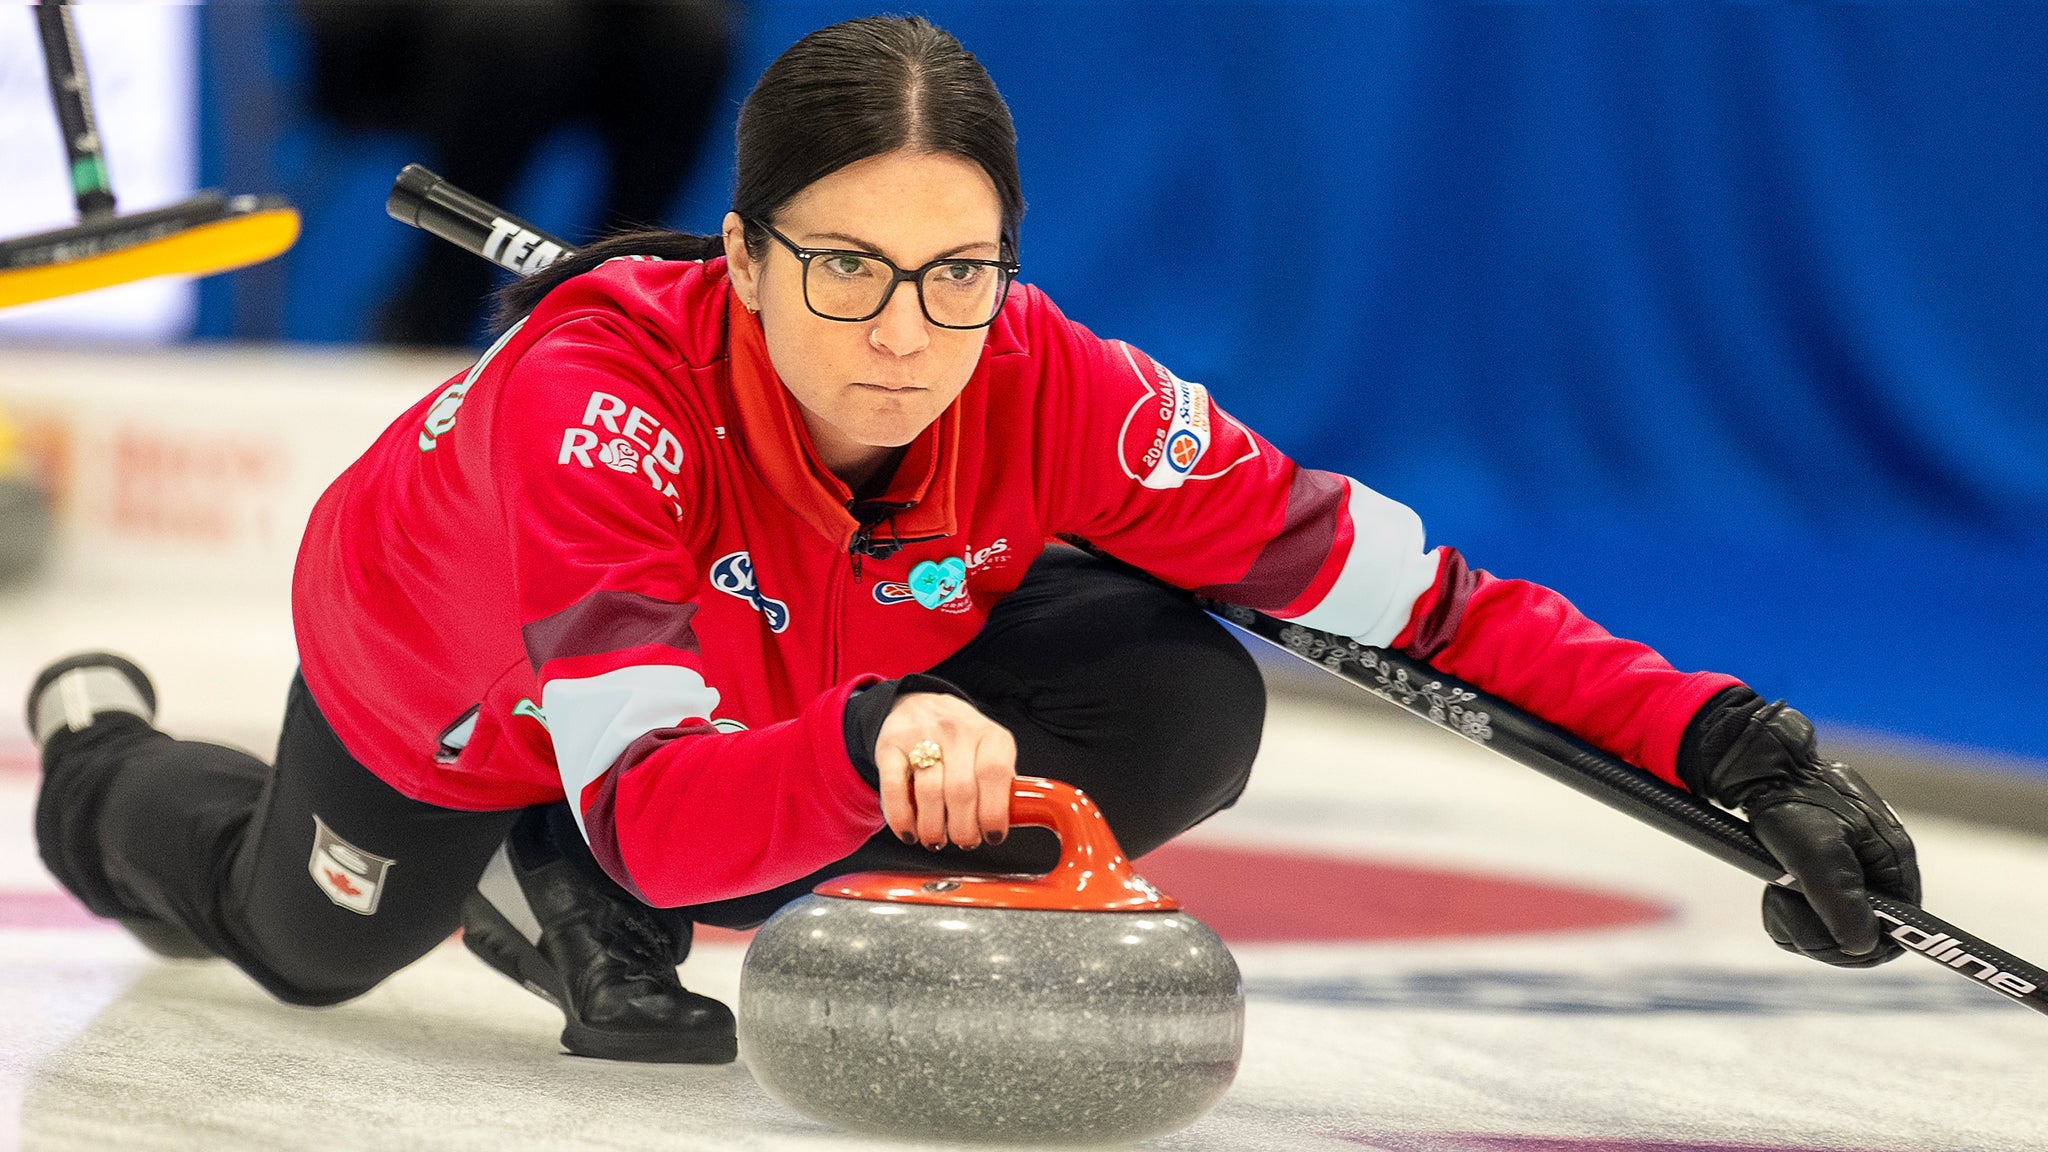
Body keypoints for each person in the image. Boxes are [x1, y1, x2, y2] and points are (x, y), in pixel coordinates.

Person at [29, 16, 1919, 1066]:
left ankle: (587, 865)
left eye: (959, 272)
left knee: (1176, 695)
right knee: (311, 945)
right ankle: (100, 760)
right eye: (846, 267)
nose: (907, 332)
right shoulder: (599, 408)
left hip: (755, 686)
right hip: (449, 689)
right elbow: (660, 824)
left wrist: (1727, 747)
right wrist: (862, 748)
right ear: (742, 258)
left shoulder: (1052, 381)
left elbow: (1421, 605)